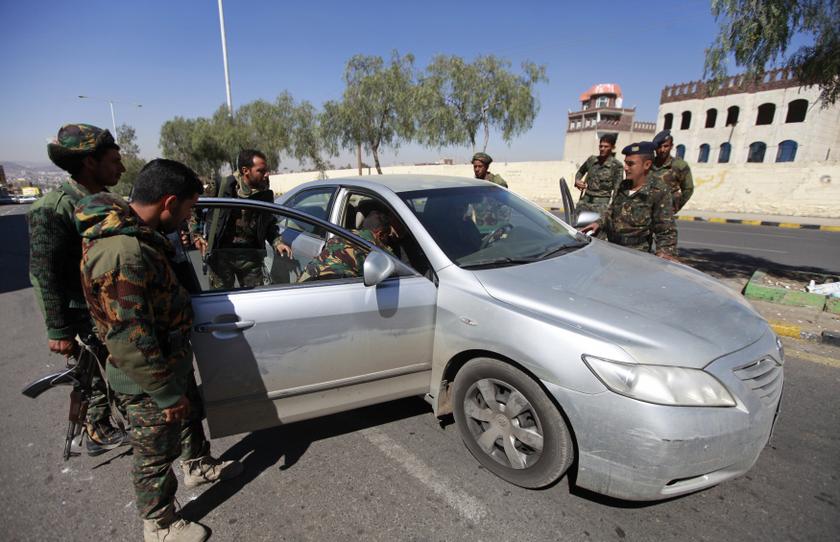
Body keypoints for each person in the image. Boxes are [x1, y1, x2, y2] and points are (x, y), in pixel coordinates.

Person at [76, 159, 243, 542]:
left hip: (169, 363)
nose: (187, 219)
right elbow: (128, 334)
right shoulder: (122, 251)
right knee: (154, 452)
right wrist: (165, 392)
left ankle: (197, 465)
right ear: (168, 202)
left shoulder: (142, 237)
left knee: (187, 423)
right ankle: (160, 524)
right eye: (187, 210)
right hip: (146, 378)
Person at [28, 123, 127, 455]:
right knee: (94, 376)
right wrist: (57, 328)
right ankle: (97, 430)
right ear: (89, 162)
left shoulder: (101, 201)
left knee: (109, 370)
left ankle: (101, 427)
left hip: (104, 306)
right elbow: (45, 273)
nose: (122, 167)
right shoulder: (55, 208)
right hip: (79, 311)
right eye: (114, 160)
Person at [193, 149, 292, 289]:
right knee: (221, 302)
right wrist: (196, 235)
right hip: (221, 256)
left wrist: (277, 242)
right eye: (261, 171)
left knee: (254, 301)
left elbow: (268, 223)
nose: (267, 174)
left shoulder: (264, 193)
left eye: (266, 170)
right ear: (245, 171)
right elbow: (193, 205)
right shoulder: (222, 186)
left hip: (251, 257)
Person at [580, 142, 678, 260]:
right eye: (626, 163)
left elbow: (666, 229)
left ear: (647, 165)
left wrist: (664, 253)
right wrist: (599, 223)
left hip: (636, 255)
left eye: (630, 164)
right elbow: (612, 210)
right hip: (611, 249)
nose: (625, 167)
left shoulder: (658, 191)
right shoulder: (624, 185)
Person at [297, 207, 402, 282]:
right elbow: (400, 269)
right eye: (387, 235)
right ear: (380, 234)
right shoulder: (372, 245)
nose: (387, 239)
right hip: (330, 287)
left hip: (305, 282)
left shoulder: (343, 234)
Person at [573, 133, 623, 221]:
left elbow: (617, 190)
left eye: (606, 146)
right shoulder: (592, 160)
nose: (602, 149)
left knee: (597, 233)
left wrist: (612, 210)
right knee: (578, 228)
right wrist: (577, 180)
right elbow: (580, 172)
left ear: (613, 147)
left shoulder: (617, 166)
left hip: (601, 205)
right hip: (585, 202)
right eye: (601, 146)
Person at [649, 129, 694, 212]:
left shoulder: (679, 165)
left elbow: (688, 189)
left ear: (671, 146)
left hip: (666, 213)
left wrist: (676, 206)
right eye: (659, 147)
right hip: (647, 210)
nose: (662, 150)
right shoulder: (648, 164)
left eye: (666, 146)